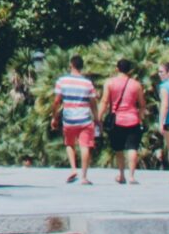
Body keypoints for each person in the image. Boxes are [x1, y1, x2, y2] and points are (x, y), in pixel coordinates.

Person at [99, 58, 146, 184]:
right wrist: (141, 117)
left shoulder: (109, 83)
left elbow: (104, 101)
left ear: (117, 68)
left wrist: (98, 117)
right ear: (130, 70)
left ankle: (121, 175)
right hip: (133, 119)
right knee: (132, 148)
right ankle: (131, 176)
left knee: (118, 148)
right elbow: (142, 104)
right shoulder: (136, 84)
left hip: (117, 120)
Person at [54, 56, 98, 184]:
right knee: (85, 146)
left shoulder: (62, 81)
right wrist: (97, 118)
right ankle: (84, 176)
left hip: (69, 118)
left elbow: (57, 101)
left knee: (69, 143)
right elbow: (93, 102)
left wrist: (54, 116)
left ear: (71, 65)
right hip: (84, 118)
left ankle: (73, 168)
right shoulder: (88, 83)